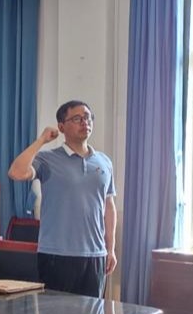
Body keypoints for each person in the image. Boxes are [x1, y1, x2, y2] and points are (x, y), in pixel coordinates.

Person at [8, 100, 117, 297]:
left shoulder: (104, 162)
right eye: (77, 118)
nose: (84, 122)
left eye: (88, 117)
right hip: (56, 254)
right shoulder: (47, 159)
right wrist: (41, 140)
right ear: (61, 126)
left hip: (95, 255)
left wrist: (111, 249)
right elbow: (16, 172)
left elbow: (108, 206)